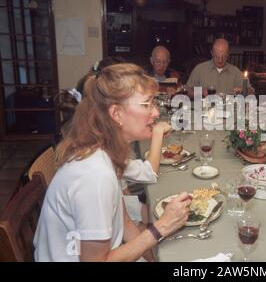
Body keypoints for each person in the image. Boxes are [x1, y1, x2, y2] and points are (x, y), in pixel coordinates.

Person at [34, 64, 191, 261]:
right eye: (147, 104)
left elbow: (124, 222)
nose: (156, 113)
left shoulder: (105, 150)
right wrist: (163, 227)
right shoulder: (94, 174)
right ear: (116, 114)